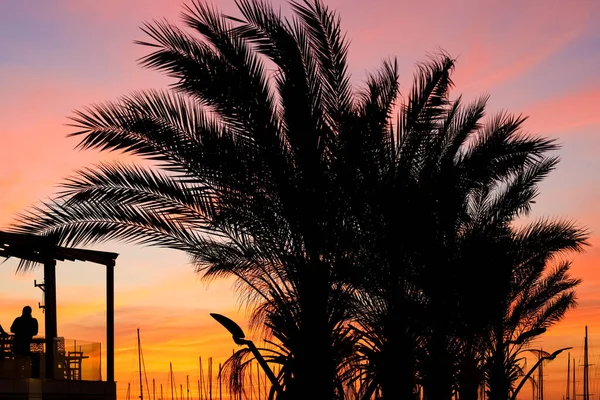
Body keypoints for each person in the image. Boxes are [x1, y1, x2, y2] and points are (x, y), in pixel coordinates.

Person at [10, 306, 38, 377]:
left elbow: (12, 329)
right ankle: (24, 377)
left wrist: (20, 331)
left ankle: (18, 376)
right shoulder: (33, 321)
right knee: (25, 363)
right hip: (26, 346)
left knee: (18, 364)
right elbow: (35, 332)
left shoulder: (18, 320)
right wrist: (27, 332)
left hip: (18, 345)